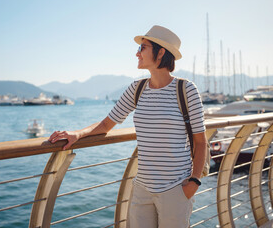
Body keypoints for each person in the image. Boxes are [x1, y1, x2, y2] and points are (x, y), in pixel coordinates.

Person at [48, 25, 207, 228]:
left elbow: (201, 142)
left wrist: (193, 183)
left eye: (143, 47)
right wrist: (77, 134)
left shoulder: (186, 90)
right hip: (142, 189)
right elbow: (107, 123)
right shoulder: (137, 88)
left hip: (176, 190)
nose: (137, 53)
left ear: (160, 52)